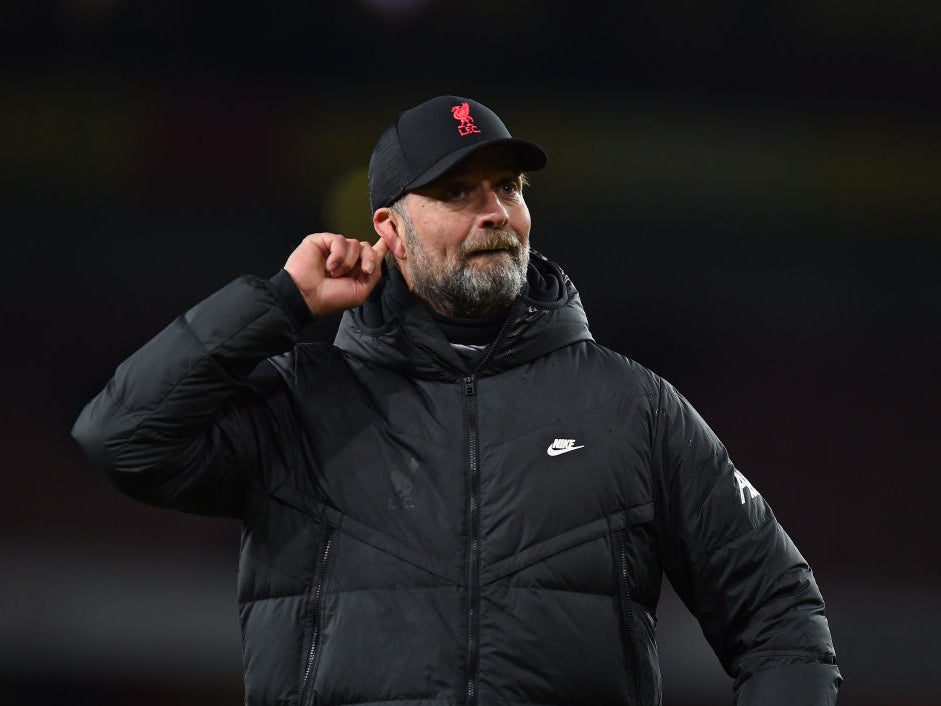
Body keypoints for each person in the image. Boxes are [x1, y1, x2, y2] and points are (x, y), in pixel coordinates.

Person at [72, 95, 841, 706]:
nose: (494, 213)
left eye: (506, 187)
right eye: (454, 191)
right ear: (390, 231)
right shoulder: (301, 403)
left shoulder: (630, 407)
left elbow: (779, 620)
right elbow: (122, 435)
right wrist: (278, 302)